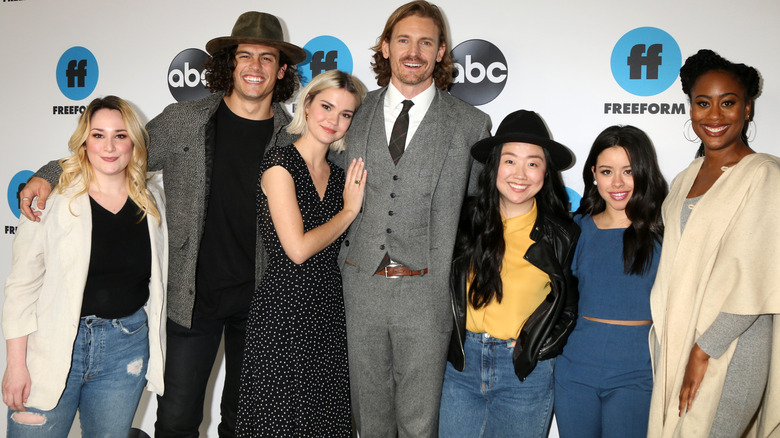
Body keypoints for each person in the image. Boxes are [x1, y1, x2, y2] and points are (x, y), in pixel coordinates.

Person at [17, 11, 305, 437]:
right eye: (246, 55)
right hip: (191, 300)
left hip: (262, 303)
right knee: (175, 421)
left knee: (247, 423)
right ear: (230, 63)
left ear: (281, 69)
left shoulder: (294, 135)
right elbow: (113, 155)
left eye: (267, 58)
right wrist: (48, 172)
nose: (255, 67)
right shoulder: (183, 121)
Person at [332, 1, 491, 436]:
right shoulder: (351, 113)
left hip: (428, 290)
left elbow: (481, 210)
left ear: (441, 52)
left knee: (421, 423)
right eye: (403, 40)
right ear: (385, 48)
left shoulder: (471, 124)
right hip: (359, 283)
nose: (414, 51)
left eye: (426, 42)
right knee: (369, 417)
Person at [2, 96, 167, 436]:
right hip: (53, 346)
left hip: (126, 351)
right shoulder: (50, 200)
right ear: (84, 141)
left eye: (120, 135)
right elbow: (21, 286)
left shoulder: (154, 202)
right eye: (98, 135)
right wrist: (15, 365)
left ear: (134, 141)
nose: (109, 146)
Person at [648, 49, 780, 437]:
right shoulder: (685, 178)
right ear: (690, 108)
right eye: (703, 103)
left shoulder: (764, 175)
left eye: (728, 103)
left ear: (748, 109)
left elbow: (759, 277)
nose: (715, 116)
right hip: (678, 340)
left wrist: (703, 350)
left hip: (730, 347)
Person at [235, 70, 367, 436]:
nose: (334, 120)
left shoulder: (342, 176)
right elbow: (297, 249)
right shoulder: (279, 164)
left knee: (323, 420)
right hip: (283, 312)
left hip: (329, 311)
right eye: (326, 106)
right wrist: (349, 212)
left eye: (346, 114)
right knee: (278, 421)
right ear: (307, 106)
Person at [439, 109, 579, 437]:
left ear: (546, 171)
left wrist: (536, 348)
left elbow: (569, 308)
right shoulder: (462, 221)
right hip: (460, 368)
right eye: (510, 160)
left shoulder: (562, 234)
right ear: (494, 166)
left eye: (533, 162)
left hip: (523, 375)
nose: (521, 173)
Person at [554, 125, 667, 437]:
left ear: (644, 172)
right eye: (606, 171)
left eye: (629, 171)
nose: (617, 183)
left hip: (637, 373)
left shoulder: (665, 231)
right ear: (593, 173)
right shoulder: (575, 229)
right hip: (574, 370)